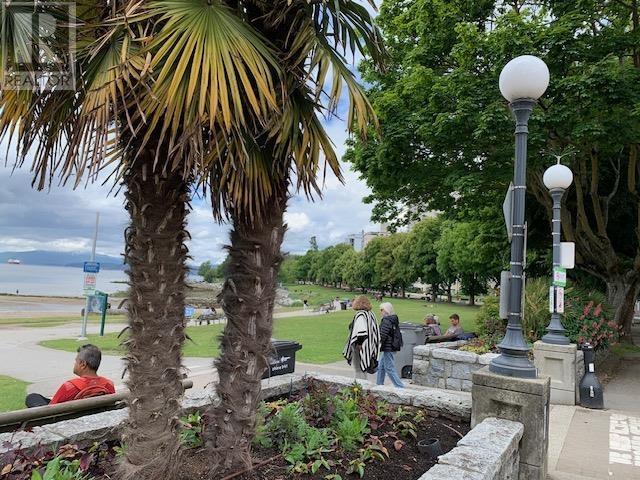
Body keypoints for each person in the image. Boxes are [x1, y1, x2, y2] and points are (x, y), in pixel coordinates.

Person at [25, 344, 115, 408]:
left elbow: (50, 410)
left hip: (65, 420)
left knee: (32, 397)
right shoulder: (108, 385)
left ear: (83, 364)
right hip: (94, 418)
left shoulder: (70, 387)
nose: (74, 364)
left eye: (76, 361)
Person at [343, 295, 380, 380]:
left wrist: (360, 345)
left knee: (359, 369)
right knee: (363, 369)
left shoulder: (361, 315)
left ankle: (360, 386)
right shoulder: (370, 314)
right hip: (369, 346)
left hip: (360, 346)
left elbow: (361, 331)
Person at [377, 302, 405, 388]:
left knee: (389, 367)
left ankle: (400, 386)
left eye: (381, 310)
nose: (380, 311)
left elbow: (382, 335)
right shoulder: (393, 319)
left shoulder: (386, 320)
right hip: (392, 346)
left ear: (386, 310)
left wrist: (377, 344)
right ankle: (379, 384)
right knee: (381, 366)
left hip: (388, 347)